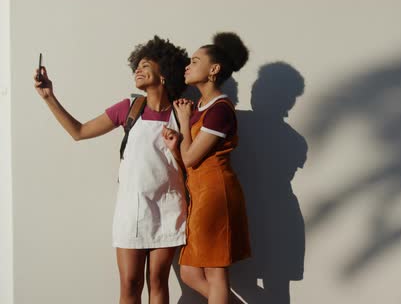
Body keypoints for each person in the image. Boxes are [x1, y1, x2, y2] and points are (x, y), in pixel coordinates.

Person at [33, 35, 189, 304]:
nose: (137, 70)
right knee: (130, 283)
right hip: (131, 208)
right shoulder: (129, 108)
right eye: (136, 66)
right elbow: (78, 132)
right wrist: (49, 97)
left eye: (145, 64)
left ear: (164, 73)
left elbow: (191, 162)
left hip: (168, 207)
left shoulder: (181, 113)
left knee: (158, 282)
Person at [171, 32, 252, 304]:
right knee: (191, 272)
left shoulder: (220, 109)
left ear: (214, 69)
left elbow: (191, 157)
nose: (187, 66)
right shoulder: (200, 107)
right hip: (201, 196)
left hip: (217, 195)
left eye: (195, 61)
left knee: (216, 273)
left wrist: (183, 123)